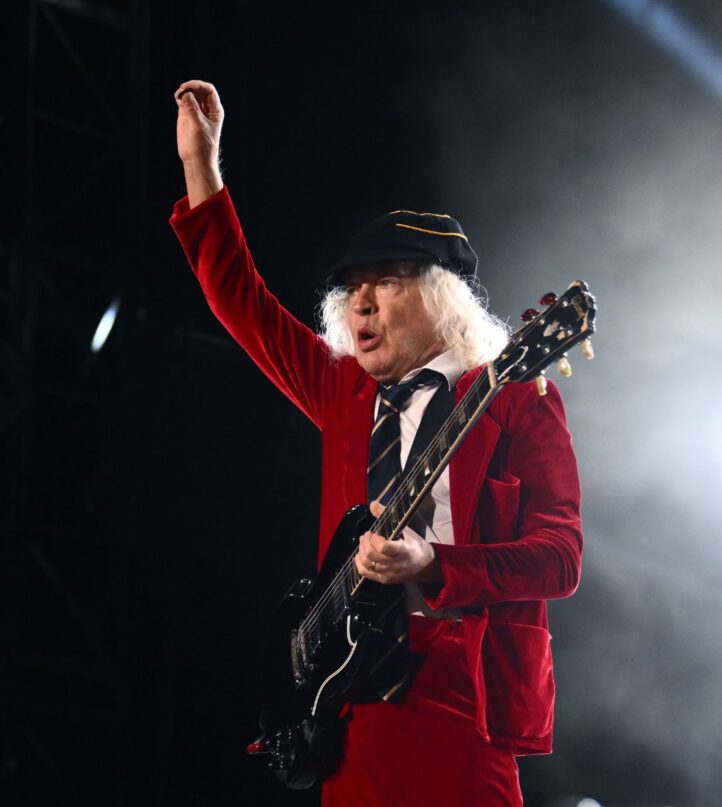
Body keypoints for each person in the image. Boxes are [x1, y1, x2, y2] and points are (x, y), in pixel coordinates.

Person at [170, 79, 583, 806]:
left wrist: (435, 561)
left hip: (463, 694)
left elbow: (561, 559)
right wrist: (203, 167)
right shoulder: (344, 392)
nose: (359, 302)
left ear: (439, 296)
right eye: (351, 289)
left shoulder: (517, 396)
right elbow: (242, 301)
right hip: (349, 705)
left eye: (385, 282)